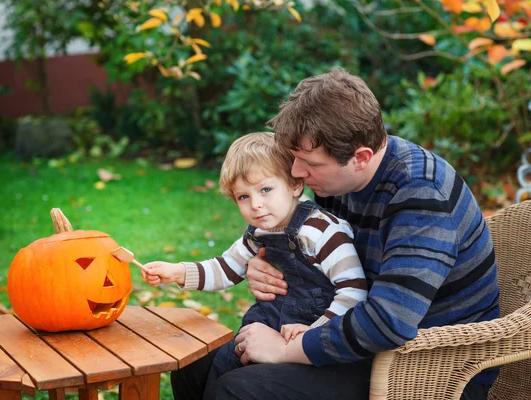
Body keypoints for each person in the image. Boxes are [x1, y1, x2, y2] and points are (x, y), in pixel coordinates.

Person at [170, 67, 500, 400]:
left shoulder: (421, 196)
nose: (297, 172)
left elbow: (389, 322)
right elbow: (320, 250)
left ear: (361, 157)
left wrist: (287, 350)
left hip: (428, 367)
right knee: (193, 371)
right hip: (349, 331)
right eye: (295, 159)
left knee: (238, 391)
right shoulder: (337, 179)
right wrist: (264, 261)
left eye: (308, 163)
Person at [141, 131, 368, 399]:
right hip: (262, 329)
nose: (256, 206)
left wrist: (314, 332)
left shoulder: (323, 232)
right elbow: (225, 268)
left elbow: (354, 291)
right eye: (243, 197)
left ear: (295, 185)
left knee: (233, 387)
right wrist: (178, 272)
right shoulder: (258, 232)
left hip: (311, 342)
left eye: (265, 190)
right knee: (212, 370)